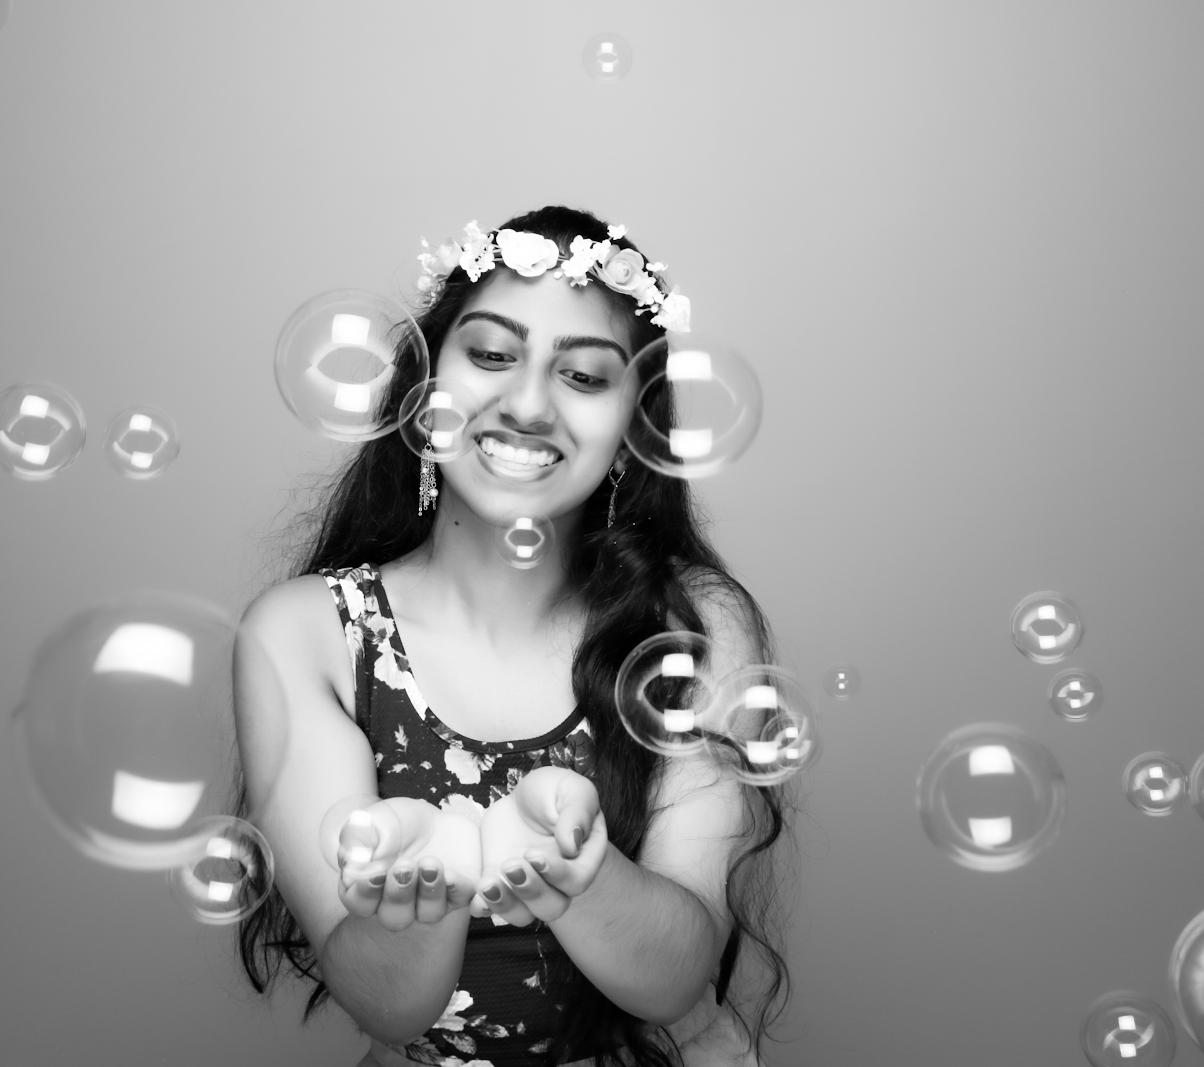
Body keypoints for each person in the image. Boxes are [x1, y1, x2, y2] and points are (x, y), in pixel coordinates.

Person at [233, 206, 793, 1067]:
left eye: (584, 376)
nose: (528, 404)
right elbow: (388, 1004)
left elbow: (675, 976)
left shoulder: (693, 625)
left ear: (630, 432)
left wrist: (579, 871)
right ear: (424, 390)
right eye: (491, 355)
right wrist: (420, 898)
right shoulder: (308, 635)